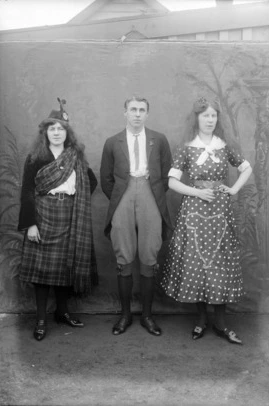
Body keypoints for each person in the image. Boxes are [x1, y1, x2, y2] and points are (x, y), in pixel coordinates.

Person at [160, 96, 252, 344]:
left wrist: (232, 190)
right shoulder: (187, 146)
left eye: (213, 116)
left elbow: (246, 168)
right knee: (197, 262)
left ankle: (221, 323)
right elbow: (172, 182)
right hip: (194, 211)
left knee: (219, 263)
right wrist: (198, 192)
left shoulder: (224, 145)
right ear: (197, 118)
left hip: (220, 211)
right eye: (205, 116)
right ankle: (201, 320)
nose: (210, 120)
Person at [18, 98, 98, 341]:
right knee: (42, 272)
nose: (56, 133)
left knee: (65, 267)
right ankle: (41, 319)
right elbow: (27, 191)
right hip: (43, 215)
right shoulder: (36, 157)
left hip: (69, 216)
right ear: (45, 133)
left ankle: (62, 313)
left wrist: (78, 200)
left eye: (60, 129)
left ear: (67, 132)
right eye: (52, 129)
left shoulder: (75, 156)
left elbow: (90, 182)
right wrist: (31, 224)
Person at [100, 96, 172, 336]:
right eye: (133, 109)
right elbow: (106, 179)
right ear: (125, 112)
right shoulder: (112, 142)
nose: (137, 114)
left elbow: (166, 173)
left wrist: (151, 193)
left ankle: (148, 316)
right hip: (123, 196)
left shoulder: (159, 140)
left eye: (142, 110)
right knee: (124, 254)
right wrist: (122, 197)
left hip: (151, 193)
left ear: (147, 114)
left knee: (150, 253)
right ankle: (125, 315)